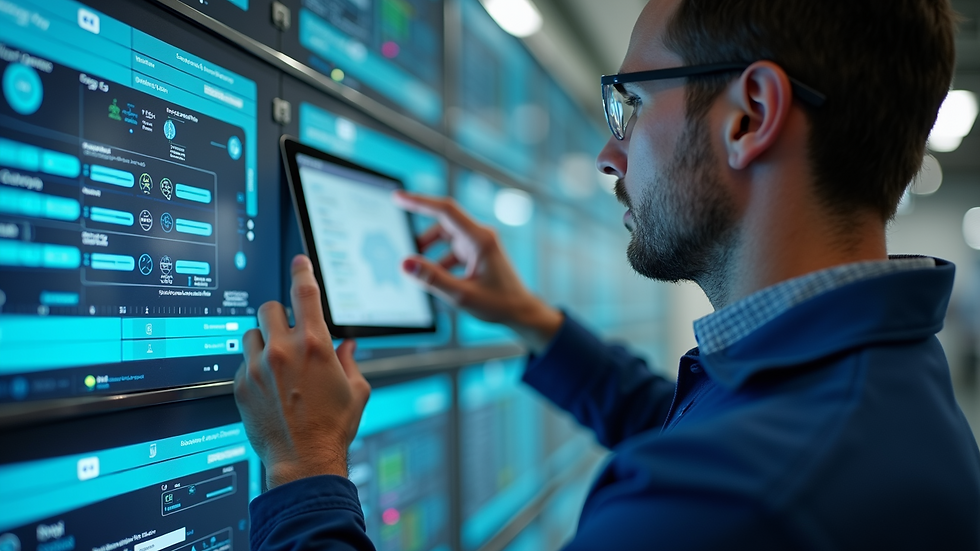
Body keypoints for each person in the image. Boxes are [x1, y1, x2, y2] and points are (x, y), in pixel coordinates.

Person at [234, 0, 980, 548]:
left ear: (750, 117)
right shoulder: (874, 378)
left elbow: (703, 475)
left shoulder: (735, 500)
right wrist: (527, 316)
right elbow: (684, 427)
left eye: (630, 105)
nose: (607, 155)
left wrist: (306, 471)